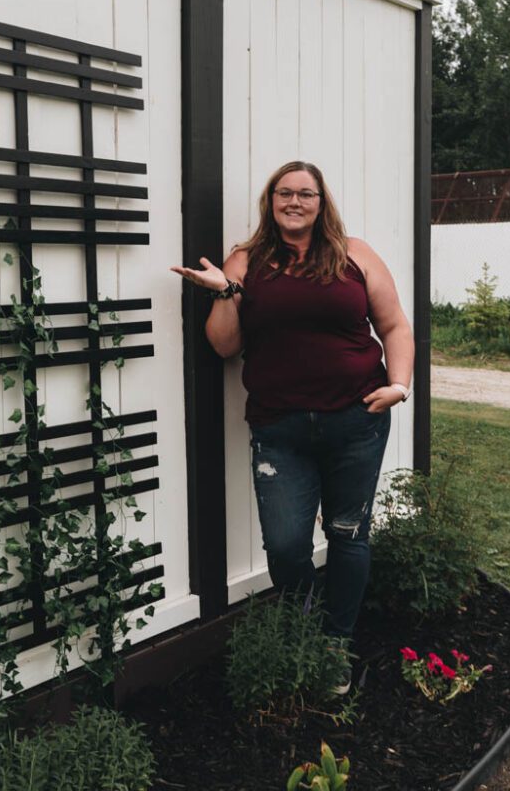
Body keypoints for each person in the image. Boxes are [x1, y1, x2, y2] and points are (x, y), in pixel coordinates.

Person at [172, 160, 414, 689]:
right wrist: (225, 292)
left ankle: (333, 647)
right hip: (279, 429)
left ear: (321, 202)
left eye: (306, 194)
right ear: (271, 200)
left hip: (357, 419)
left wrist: (399, 384)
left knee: (348, 534)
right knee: (284, 545)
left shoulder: (355, 254)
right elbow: (225, 345)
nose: (295, 202)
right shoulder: (246, 260)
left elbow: (394, 324)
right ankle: (306, 632)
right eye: (285, 193)